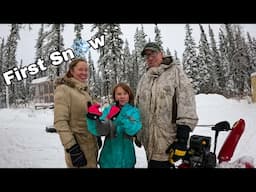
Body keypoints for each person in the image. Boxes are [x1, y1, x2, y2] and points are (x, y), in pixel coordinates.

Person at [135, 42, 199, 168]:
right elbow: (138, 105)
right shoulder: (144, 79)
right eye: (147, 55)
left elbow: (186, 102)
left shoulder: (175, 73)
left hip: (168, 141)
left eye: (153, 53)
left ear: (161, 54)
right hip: (149, 143)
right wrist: (137, 132)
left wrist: (182, 138)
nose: (150, 57)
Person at [54, 58, 98, 168]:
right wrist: (72, 148)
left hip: (91, 148)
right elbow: (60, 122)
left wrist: (96, 135)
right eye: (80, 70)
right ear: (72, 71)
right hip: (78, 149)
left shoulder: (83, 91)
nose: (84, 73)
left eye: (86, 70)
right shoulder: (64, 90)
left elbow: (86, 118)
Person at [86, 83, 142, 168]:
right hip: (108, 159)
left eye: (125, 94)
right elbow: (100, 130)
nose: (122, 96)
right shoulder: (108, 110)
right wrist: (93, 119)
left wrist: (121, 115)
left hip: (126, 160)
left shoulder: (134, 111)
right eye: (119, 94)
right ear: (115, 96)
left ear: (129, 95)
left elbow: (132, 130)